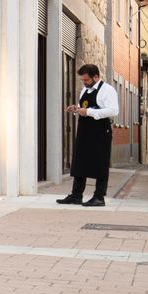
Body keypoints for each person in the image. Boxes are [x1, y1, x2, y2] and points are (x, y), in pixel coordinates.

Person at [58, 64, 119, 208]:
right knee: (80, 161)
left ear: (96, 77)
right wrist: (76, 109)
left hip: (100, 131)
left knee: (100, 163)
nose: (84, 83)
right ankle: (76, 195)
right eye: (83, 80)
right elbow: (84, 107)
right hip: (85, 129)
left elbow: (114, 110)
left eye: (86, 80)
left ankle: (99, 197)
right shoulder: (85, 89)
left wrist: (90, 112)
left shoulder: (107, 90)